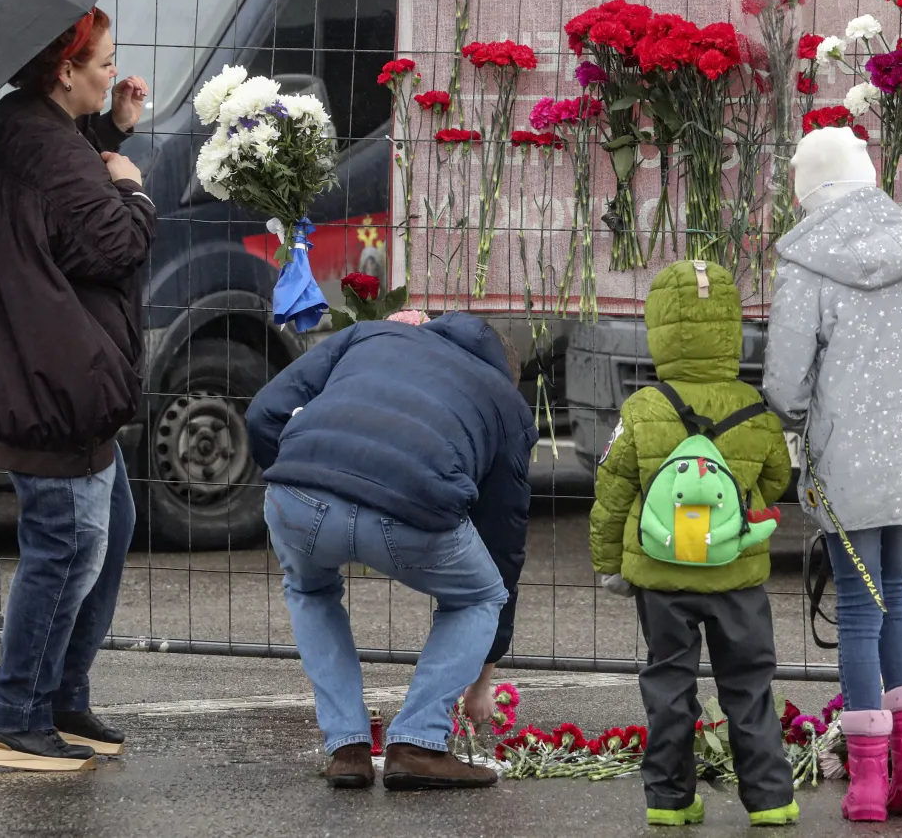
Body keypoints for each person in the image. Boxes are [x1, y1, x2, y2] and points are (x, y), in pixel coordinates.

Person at [0, 6, 156, 772]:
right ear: (65, 70)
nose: (115, 72)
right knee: (66, 545)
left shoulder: (21, 124)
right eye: (104, 62)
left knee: (110, 523)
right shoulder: (49, 148)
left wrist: (112, 129)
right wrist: (133, 189)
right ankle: (16, 716)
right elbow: (114, 242)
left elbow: (63, 191)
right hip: (54, 383)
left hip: (43, 371)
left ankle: (61, 696)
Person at [762, 127, 902, 822]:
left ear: (808, 189)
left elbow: (785, 386)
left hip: (845, 463)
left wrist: (816, 411)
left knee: (859, 610)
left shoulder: (804, 261)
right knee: (896, 596)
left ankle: (865, 784)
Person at [246, 312, 536, 791]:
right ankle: (419, 744)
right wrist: (485, 671)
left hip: (296, 493)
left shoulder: (371, 333)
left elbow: (262, 413)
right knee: (481, 596)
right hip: (410, 508)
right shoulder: (506, 402)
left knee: (310, 591)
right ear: (508, 374)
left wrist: (301, 475)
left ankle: (347, 749)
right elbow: (503, 542)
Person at [591, 259, 799, 829]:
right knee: (748, 685)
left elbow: (612, 490)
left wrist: (610, 563)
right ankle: (769, 799)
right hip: (736, 574)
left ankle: (669, 799)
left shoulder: (643, 408)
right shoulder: (754, 408)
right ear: (732, 329)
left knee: (668, 684)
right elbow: (777, 480)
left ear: (659, 328)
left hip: (661, 576)